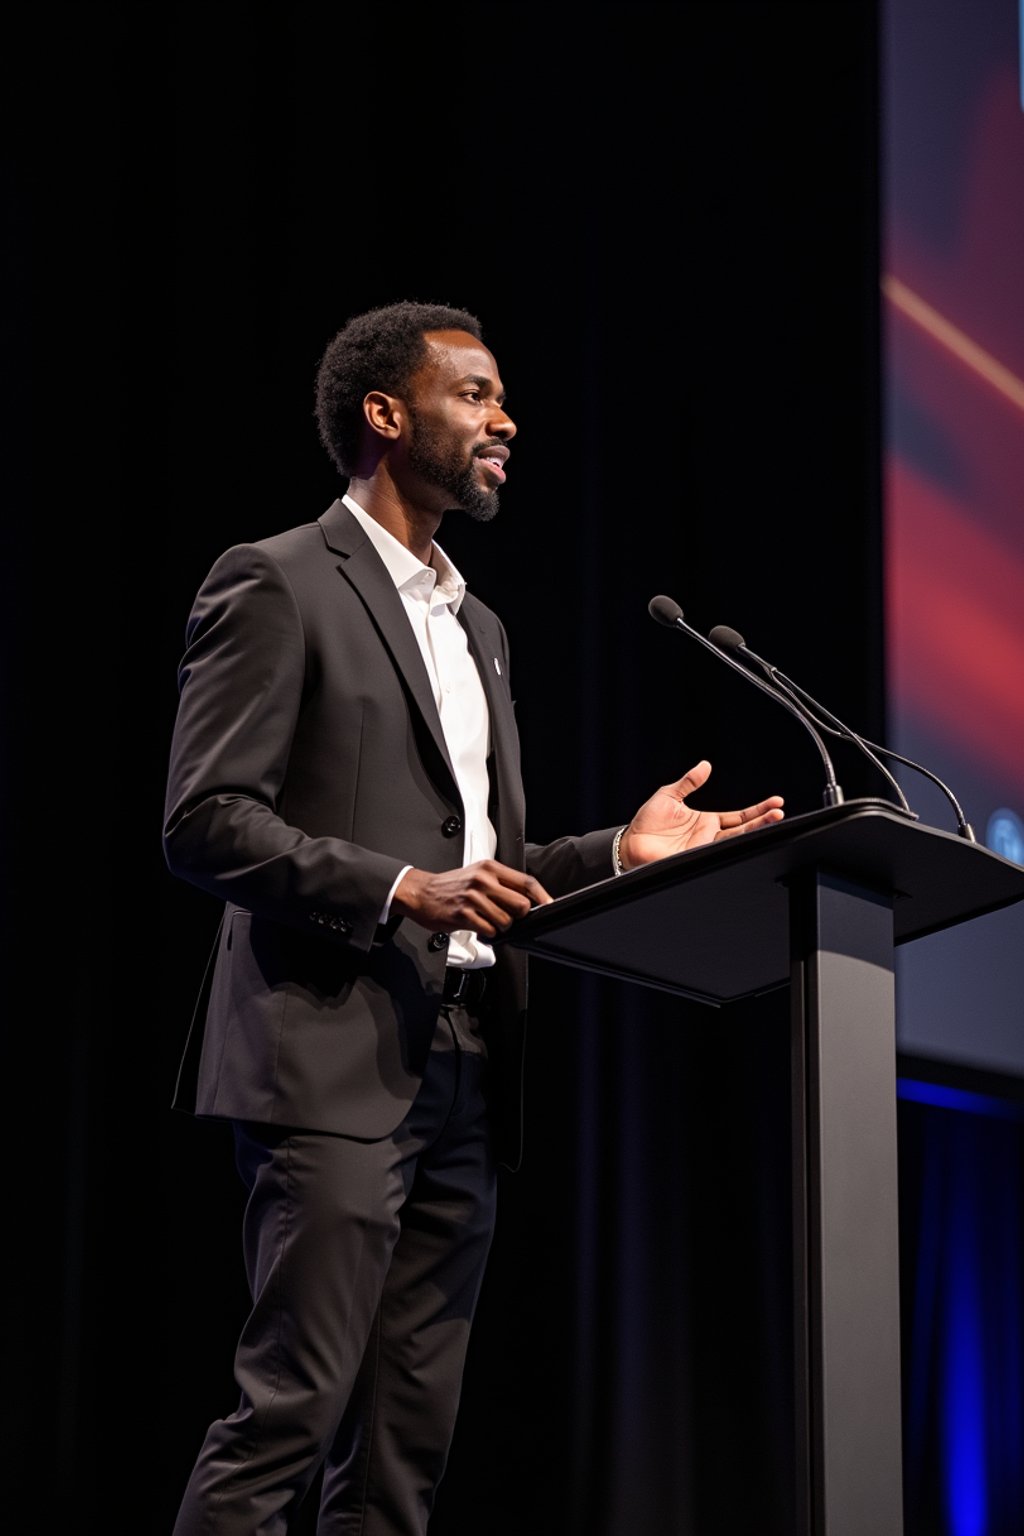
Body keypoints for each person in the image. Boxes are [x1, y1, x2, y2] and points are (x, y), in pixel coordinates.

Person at [162, 298, 785, 1535]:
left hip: (466, 1065)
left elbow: (490, 863)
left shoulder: (478, 625)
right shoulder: (278, 581)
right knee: (288, 1414)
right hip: (331, 1056)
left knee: (404, 1454)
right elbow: (205, 819)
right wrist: (399, 889)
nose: (506, 421)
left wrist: (619, 848)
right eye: (476, 396)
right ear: (386, 416)